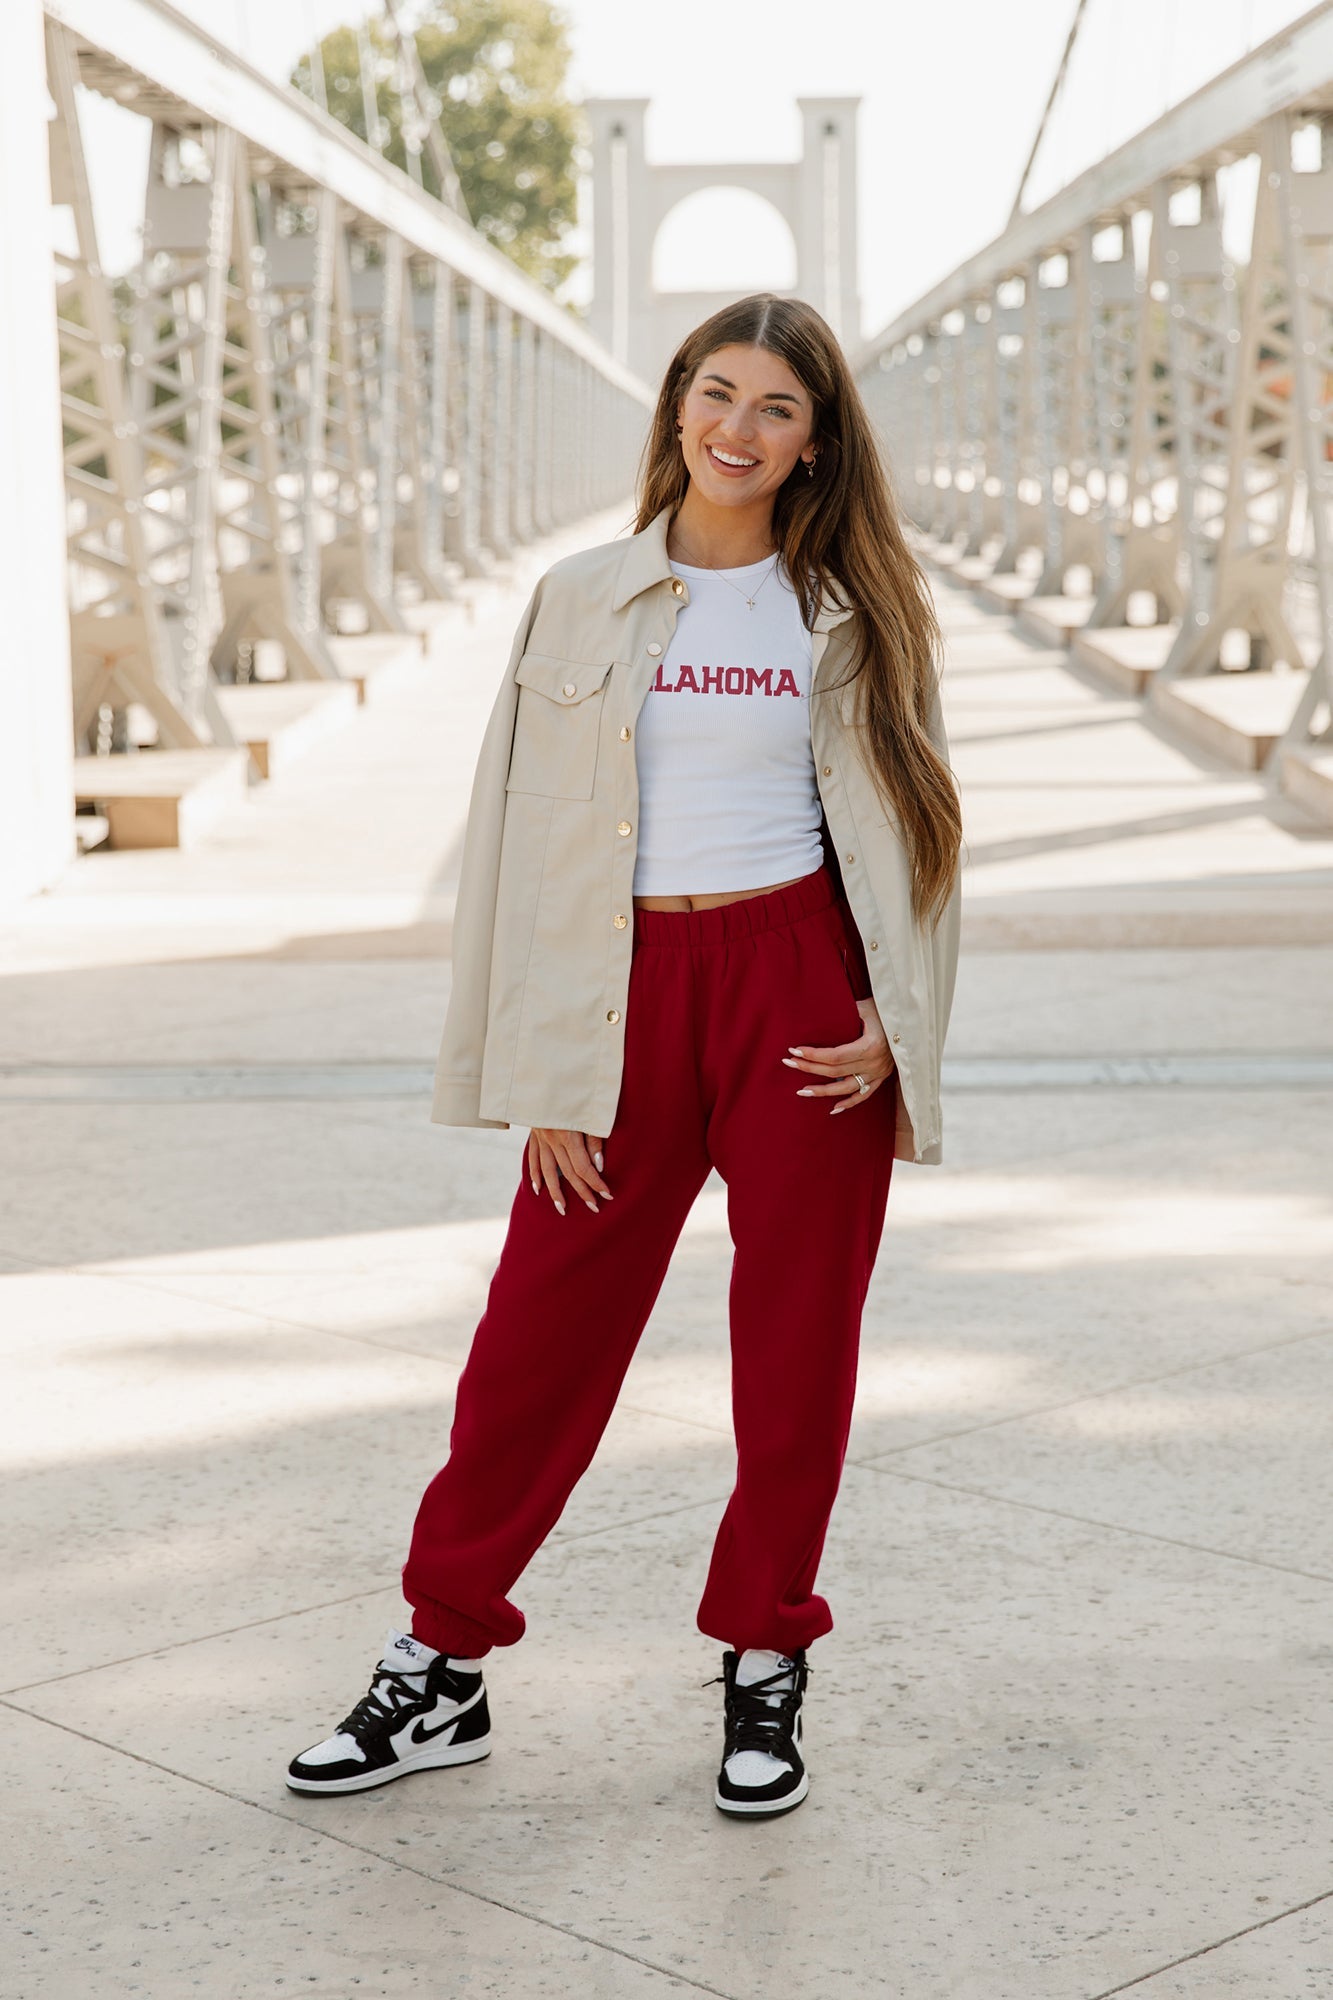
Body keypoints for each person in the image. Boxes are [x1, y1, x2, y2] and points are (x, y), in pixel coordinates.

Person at [287, 292, 962, 1820]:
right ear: (673, 407)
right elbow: (519, 842)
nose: (737, 427)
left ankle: (764, 1662)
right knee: (535, 1338)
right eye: (714, 393)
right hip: (622, 991)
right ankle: (439, 1661)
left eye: (775, 408)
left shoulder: (851, 606)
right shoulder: (580, 594)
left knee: (795, 1357)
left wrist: (890, 1021)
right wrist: (539, 1068)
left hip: (797, 993)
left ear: (813, 442)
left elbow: (922, 826)